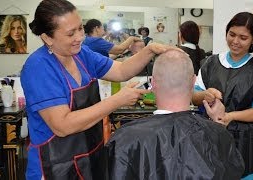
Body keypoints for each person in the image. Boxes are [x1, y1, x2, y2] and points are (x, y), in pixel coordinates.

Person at [20, 0, 180, 179]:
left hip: (89, 157)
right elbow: (62, 125)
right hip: (54, 167)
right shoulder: (39, 67)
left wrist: (149, 50)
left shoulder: (82, 54)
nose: (80, 37)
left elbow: (121, 71)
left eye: (80, 28)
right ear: (47, 37)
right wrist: (117, 101)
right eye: (71, 33)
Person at [106, 50, 245, 180]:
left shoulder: (125, 139)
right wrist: (218, 127)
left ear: (153, 84)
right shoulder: (218, 134)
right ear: (193, 81)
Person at [192, 12, 253, 179]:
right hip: (211, 138)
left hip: (248, 143)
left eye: (243, 37)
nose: (235, 41)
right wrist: (204, 95)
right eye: (232, 34)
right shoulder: (210, 63)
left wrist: (229, 116)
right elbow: (193, 97)